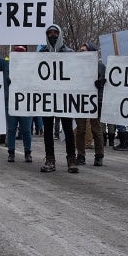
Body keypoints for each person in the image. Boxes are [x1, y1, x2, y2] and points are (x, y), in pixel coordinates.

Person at [0, 41, 33, 162]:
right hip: (10, 103)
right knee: (11, 130)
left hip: (25, 104)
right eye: (17, 51)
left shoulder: (31, 65)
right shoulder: (6, 64)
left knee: (26, 130)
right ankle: (11, 153)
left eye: (22, 51)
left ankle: (28, 152)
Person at [39, 25, 78, 173]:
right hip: (46, 98)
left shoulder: (69, 53)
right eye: (50, 33)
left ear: (60, 34)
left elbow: (78, 73)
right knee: (48, 130)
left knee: (68, 129)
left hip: (64, 98)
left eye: (55, 33)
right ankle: (50, 159)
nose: (53, 35)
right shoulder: (41, 53)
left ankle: (71, 159)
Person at [74, 43, 106, 166]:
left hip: (95, 102)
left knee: (96, 128)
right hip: (80, 101)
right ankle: (80, 155)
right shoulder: (76, 67)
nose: (81, 52)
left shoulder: (100, 66)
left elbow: (105, 85)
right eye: (80, 50)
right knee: (80, 129)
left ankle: (99, 155)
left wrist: (100, 86)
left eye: (84, 50)